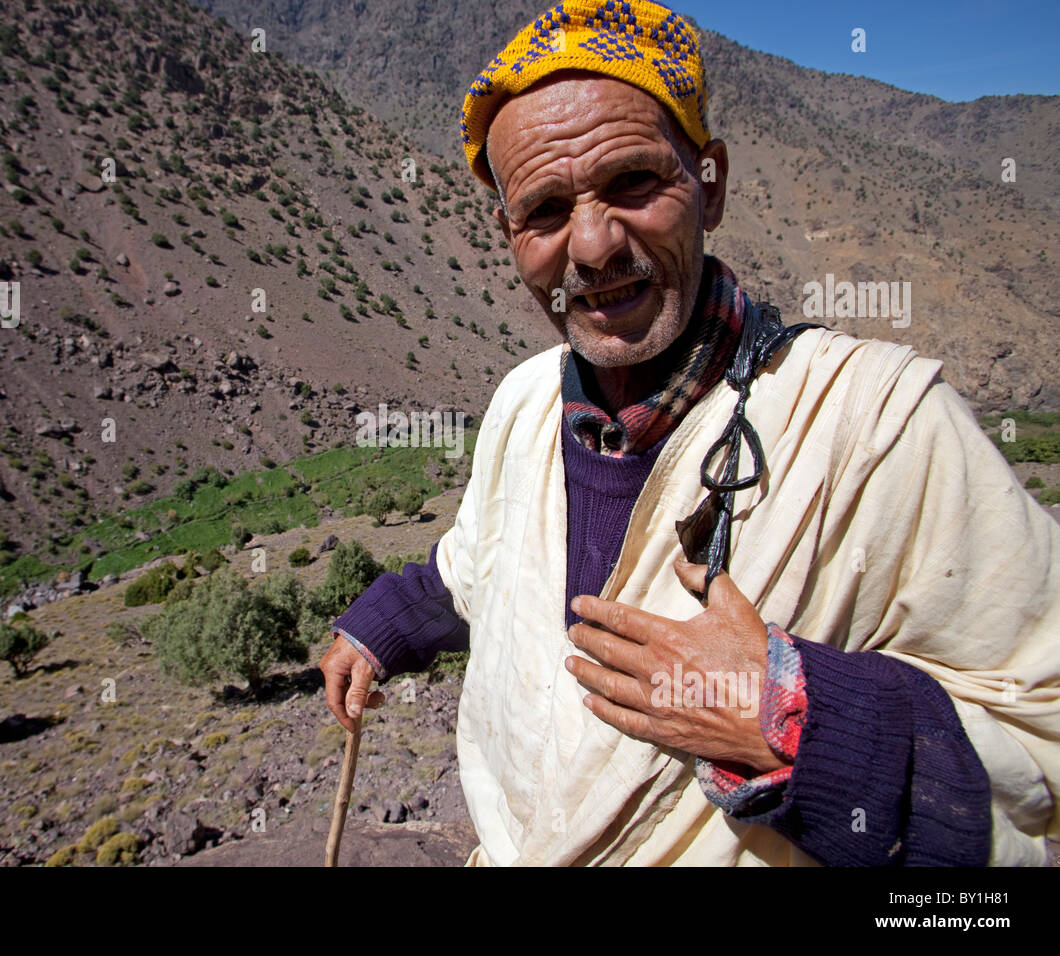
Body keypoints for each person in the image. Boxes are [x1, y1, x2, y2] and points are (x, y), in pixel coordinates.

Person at [318, 0, 1060, 866]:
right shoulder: (524, 405)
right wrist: (379, 625)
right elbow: (477, 571)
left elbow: (1041, 735)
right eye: (547, 211)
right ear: (508, 233)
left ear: (710, 181)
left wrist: (790, 717)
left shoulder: (879, 424)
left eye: (634, 183)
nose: (592, 247)